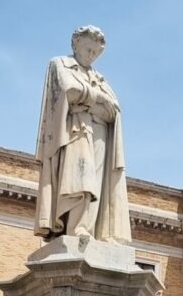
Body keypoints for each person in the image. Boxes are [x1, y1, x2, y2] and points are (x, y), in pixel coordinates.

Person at [34, 25, 131, 244]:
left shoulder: (98, 76)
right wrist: (99, 100)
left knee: (96, 184)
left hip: (99, 135)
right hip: (74, 131)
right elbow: (69, 89)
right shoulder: (60, 63)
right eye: (88, 49)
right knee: (79, 179)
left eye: (95, 53)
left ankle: (88, 228)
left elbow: (114, 109)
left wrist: (91, 102)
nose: (91, 55)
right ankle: (76, 228)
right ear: (75, 43)